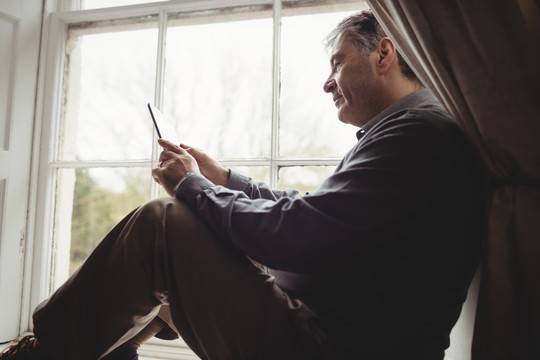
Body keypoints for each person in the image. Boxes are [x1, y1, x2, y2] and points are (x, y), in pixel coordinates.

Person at [0, 10, 485, 360]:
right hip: (326, 329)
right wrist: (223, 178)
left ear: (384, 53)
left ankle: (38, 354)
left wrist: (191, 186)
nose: (327, 83)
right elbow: (316, 212)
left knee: (161, 224)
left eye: (336, 63)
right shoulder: (409, 129)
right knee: (166, 269)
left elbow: (300, 231)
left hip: (326, 346)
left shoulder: (419, 132)